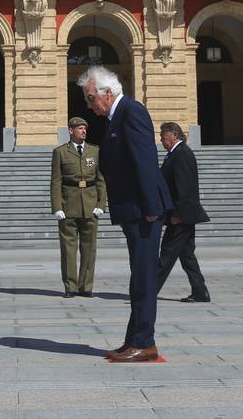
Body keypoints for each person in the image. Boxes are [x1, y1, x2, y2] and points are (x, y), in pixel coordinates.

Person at [79, 66, 171, 364]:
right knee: (139, 277)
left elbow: (145, 161)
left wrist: (151, 209)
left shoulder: (131, 111)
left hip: (143, 210)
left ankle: (144, 343)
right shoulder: (116, 116)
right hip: (134, 209)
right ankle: (135, 339)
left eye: (91, 97)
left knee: (144, 277)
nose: (89, 104)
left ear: (108, 93)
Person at [50, 116, 107, 298]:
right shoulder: (61, 152)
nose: (83, 131)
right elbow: (56, 181)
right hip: (68, 204)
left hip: (90, 204)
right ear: (70, 131)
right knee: (68, 249)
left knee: (89, 248)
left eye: (85, 128)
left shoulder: (94, 151)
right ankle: (71, 286)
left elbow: (101, 180)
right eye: (79, 128)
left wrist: (101, 204)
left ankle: (86, 286)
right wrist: (57, 206)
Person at [156, 122, 211, 302]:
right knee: (187, 255)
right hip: (183, 215)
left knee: (166, 254)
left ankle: (148, 292)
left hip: (181, 216)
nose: (161, 139)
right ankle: (200, 291)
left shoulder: (181, 154)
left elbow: (185, 188)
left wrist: (177, 215)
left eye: (164, 136)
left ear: (175, 135)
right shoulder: (175, 154)